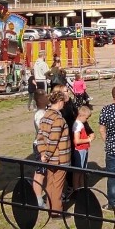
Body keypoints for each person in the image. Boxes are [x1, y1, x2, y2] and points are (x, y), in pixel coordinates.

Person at [35, 89, 71, 217]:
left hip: (48, 157)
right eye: (63, 102)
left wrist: (43, 153)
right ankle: (56, 211)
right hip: (59, 158)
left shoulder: (45, 116)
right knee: (58, 185)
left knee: (50, 183)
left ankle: (50, 207)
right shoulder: (57, 119)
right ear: (60, 101)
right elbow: (53, 140)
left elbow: (40, 137)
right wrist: (48, 154)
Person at [31, 91, 50, 207]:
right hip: (41, 145)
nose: (47, 97)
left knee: (44, 172)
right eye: (45, 96)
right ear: (40, 100)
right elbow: (43, 131)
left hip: (44, 145)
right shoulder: (40, 114)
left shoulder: (44, 112)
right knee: (40, 172)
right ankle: (37, 198)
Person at [71, 105, 95, 191]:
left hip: (83, 149)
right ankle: (76, 188)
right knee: (78, 171)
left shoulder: (80, 124)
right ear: (81, 115)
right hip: (80, 150)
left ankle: (81, 187)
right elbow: (77, 141)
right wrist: (88, 139)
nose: (87, 120)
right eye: (87, 118)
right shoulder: (78, 125)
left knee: (82, 170)